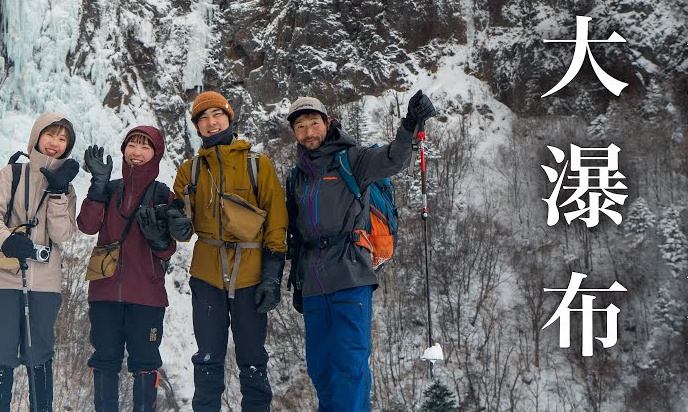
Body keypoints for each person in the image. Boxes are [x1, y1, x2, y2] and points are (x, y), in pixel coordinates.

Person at [284, 91, 435, 412]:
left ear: (327, 123)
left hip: (350, 273)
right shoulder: (296, 176)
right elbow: (295, 234)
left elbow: (394, 158)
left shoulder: (354, 159)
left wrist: (409, 124)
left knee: (349, 366)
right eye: (301, 127)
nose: (309, 132)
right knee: (320, 368)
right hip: (312, 282)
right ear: (294, 133)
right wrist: (296, 282)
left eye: (314, 123)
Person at [172, 91, 287, 412]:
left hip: (251, 276)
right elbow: (180, 218)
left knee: (253, 359)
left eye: (216, 115)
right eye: (203, 118)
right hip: (206, 276)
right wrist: (176, 224)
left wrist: (272, 277)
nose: (211, 123)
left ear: (229, 117)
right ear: (196, 126)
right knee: (207, 359)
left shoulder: (257, 165)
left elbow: (277, 222)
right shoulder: (189, 170)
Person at [77, 125, 190, 412]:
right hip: (104, 293)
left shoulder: (163, 196)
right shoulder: (110, 189)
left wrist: (157, 238)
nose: (136, 152)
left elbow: (168, 250)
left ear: (156, 154)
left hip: (147, 296)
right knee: (104, 359)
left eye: (145, 146)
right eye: (132, 145)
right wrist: (97, 185)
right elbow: (88, 226)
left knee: (145, 363)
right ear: (124, 149)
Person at [0, 113, 81, 412]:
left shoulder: (68, 187)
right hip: (1, 278)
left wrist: (60, 192)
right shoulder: (12, 174)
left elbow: (62, 234)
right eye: (51, 135)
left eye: (63, 139)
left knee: (40, 354)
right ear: (37, 136)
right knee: (1, 353)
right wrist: (6, 239)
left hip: (45, 283)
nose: (55, 143)